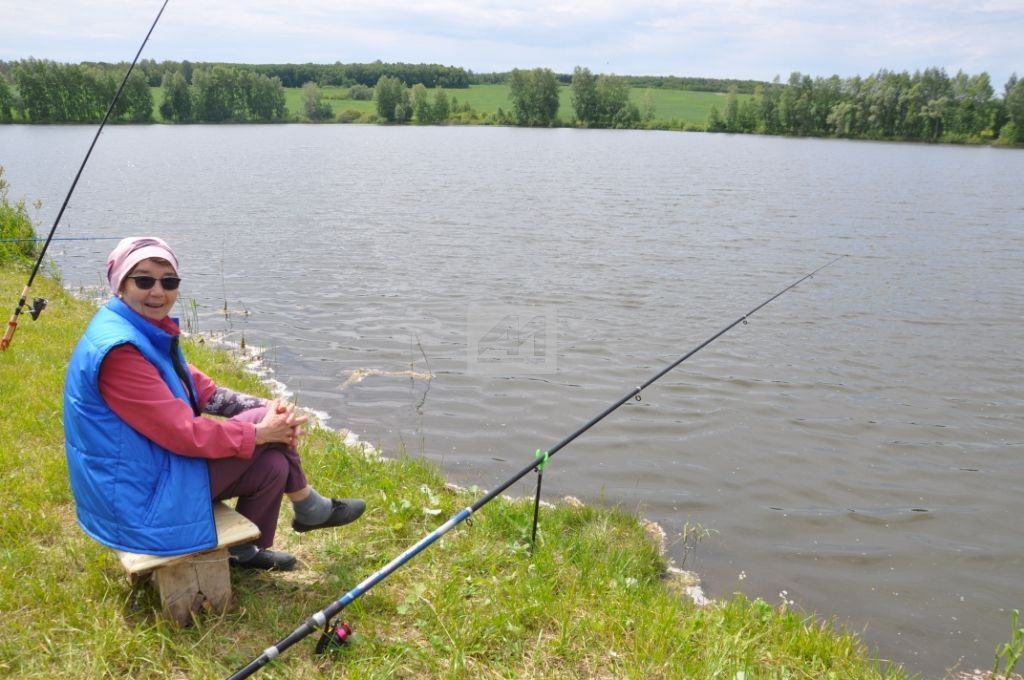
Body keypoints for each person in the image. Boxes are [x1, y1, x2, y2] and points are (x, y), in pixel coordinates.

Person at [63, 236, 364, 571]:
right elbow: (182, 434)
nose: (158, 292)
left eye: (169, 281)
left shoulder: (137, 329)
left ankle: (245, 552)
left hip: (141, 475)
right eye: (144, 280)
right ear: (120, 284)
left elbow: (199, 388)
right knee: (263, 436)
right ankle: (308, 505)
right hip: (134, 501)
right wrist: (260, 432)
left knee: (274, 466)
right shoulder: (121, 351)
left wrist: (269, 407)